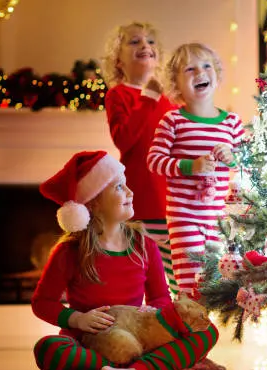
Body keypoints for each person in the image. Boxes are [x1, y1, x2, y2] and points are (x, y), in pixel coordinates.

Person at [31, 150, 220, 370]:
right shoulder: (69, 252)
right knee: (49, 350)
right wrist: (77, 319)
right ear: (94, 202)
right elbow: (42, 302)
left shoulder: (144, 245)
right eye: (119, 187)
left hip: (140, 339)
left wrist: (167, 326)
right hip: (90, 343)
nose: (130, 192)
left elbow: (160, 298)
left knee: (207, 332)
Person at [147, 42, 244, 298]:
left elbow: (248, 163)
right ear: (175, 84)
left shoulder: (232, 122)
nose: (199, 73)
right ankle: (188, 325)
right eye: (189, 69)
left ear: (217, 74)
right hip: (184, 215)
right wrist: (191, 166)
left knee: (214, 275)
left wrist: (232, 159)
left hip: (218, 218)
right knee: (189, 275)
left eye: (206, 66)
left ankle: (203, 327)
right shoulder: (173, 120)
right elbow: (154, 161)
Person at [102, 21, 178, 295]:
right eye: (134, 41)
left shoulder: (171, 99)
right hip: (141, 202)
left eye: (149, 41)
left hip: (173, 201)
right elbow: (124, 139)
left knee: (177, 274)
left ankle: (176, 326)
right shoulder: (118, 95)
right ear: (118, 60)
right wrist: (147, 99)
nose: (145, 45)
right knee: (143, 274)